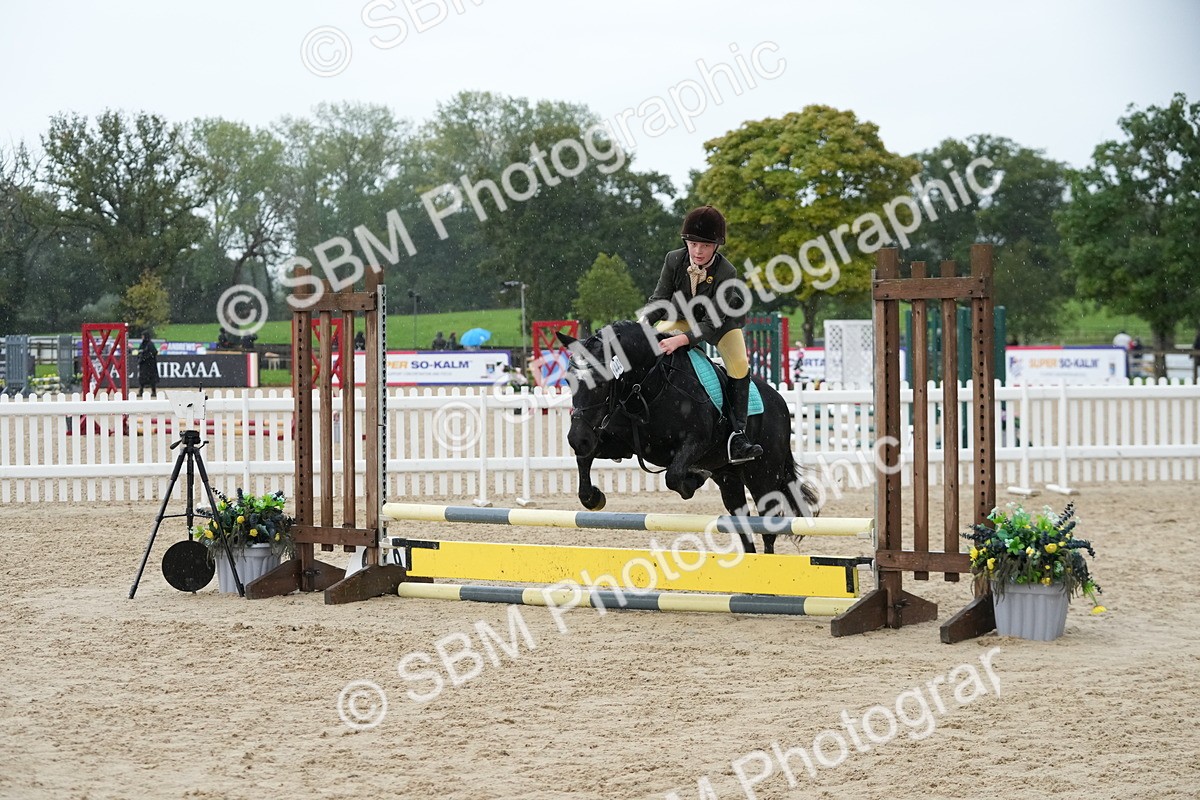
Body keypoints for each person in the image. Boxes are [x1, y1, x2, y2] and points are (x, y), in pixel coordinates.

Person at [641, 205, 763, 463]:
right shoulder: (673, 259)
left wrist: (680, 340)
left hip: (720, 324)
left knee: (739, 364)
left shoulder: (727, 272)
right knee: (650, 345)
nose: (697, 251)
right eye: (693, 244)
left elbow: (710, 324)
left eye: (705, 246)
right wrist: (641, 326)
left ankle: (738, 436)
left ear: (716, 246)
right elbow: (659, 299)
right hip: (682, 316)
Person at [137, 332, 159, 398]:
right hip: (143, 365)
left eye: (143, 336)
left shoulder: (150, 344)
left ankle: (153, 392)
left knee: (152, 379)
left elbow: (154, 352)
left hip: (150, 365)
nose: (142, 337)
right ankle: (141, 391)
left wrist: (146, 357)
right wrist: (140, 358)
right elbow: (140, 352)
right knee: (142, 379)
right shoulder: (143, 344)